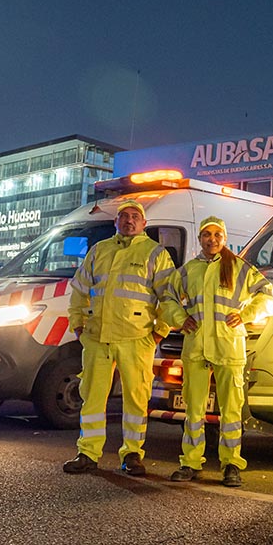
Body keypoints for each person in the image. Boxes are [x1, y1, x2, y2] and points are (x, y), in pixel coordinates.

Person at [63, 199, 178, 476]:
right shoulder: (99, 250)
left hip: (137, 339)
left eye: (134, 216)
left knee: (136, 400)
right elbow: (79, 290)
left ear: (143, 224)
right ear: (116, 222)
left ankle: (133, 454)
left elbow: (170, 296)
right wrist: (78, 325)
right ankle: (87, 452)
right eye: (124, 216)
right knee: (92, 397)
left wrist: (159, 331)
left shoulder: (155, 253)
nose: (128, 220)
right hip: (97, 338)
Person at [167, 217, 273, 487]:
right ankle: (191, 462)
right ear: (200, 238)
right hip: (196, 347)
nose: (211, 239)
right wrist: (181, 318)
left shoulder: (238, 267)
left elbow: (267, 294)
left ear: (224, 239)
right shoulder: (188, 270)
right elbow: (167, 298)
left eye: (217, 235)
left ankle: (231, 464)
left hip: (228, 348)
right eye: (206, 234)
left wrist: (246, 314)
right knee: (193, 410)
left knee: (231, 411)